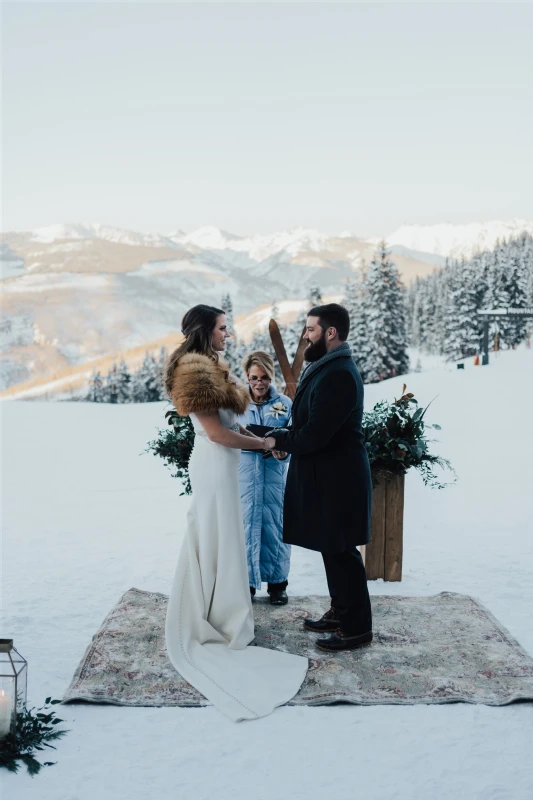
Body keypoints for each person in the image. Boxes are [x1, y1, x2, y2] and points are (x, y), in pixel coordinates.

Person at [164, 304, 307, 721]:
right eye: (223, 328)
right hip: (214, 465)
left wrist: (265, 437)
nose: (229, 334)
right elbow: (215, 432)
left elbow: (234, 424)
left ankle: (222, 605)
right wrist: (262, 446)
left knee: (228, 534)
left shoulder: (214, 365)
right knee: (214, 533)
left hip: (228, 464)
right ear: (206, 330)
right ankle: (212, 614)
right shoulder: (194, 371)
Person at [264, 303, 373, 652]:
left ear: (330, 333)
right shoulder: (326, 367)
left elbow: (314, 435)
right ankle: (341, 612)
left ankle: (356, 628)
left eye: (311, 329)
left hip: (339, 479)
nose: (305, 336)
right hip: (326, 476)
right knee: (332, 547)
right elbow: (308, 425)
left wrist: (278, 439)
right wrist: (286, 438)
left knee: (342, 552)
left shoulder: (338, 374)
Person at [238, 350, 292, 605]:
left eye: (264, 378)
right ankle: (245, 584)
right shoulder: (236, 404)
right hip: (245, 476)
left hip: (274, 476)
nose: (259, 383)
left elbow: (295, 439)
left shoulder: (285, 404)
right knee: (245, 529)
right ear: (247, 377)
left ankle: (278, 585)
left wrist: (284, 453)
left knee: (276, 528)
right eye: (254, 378)